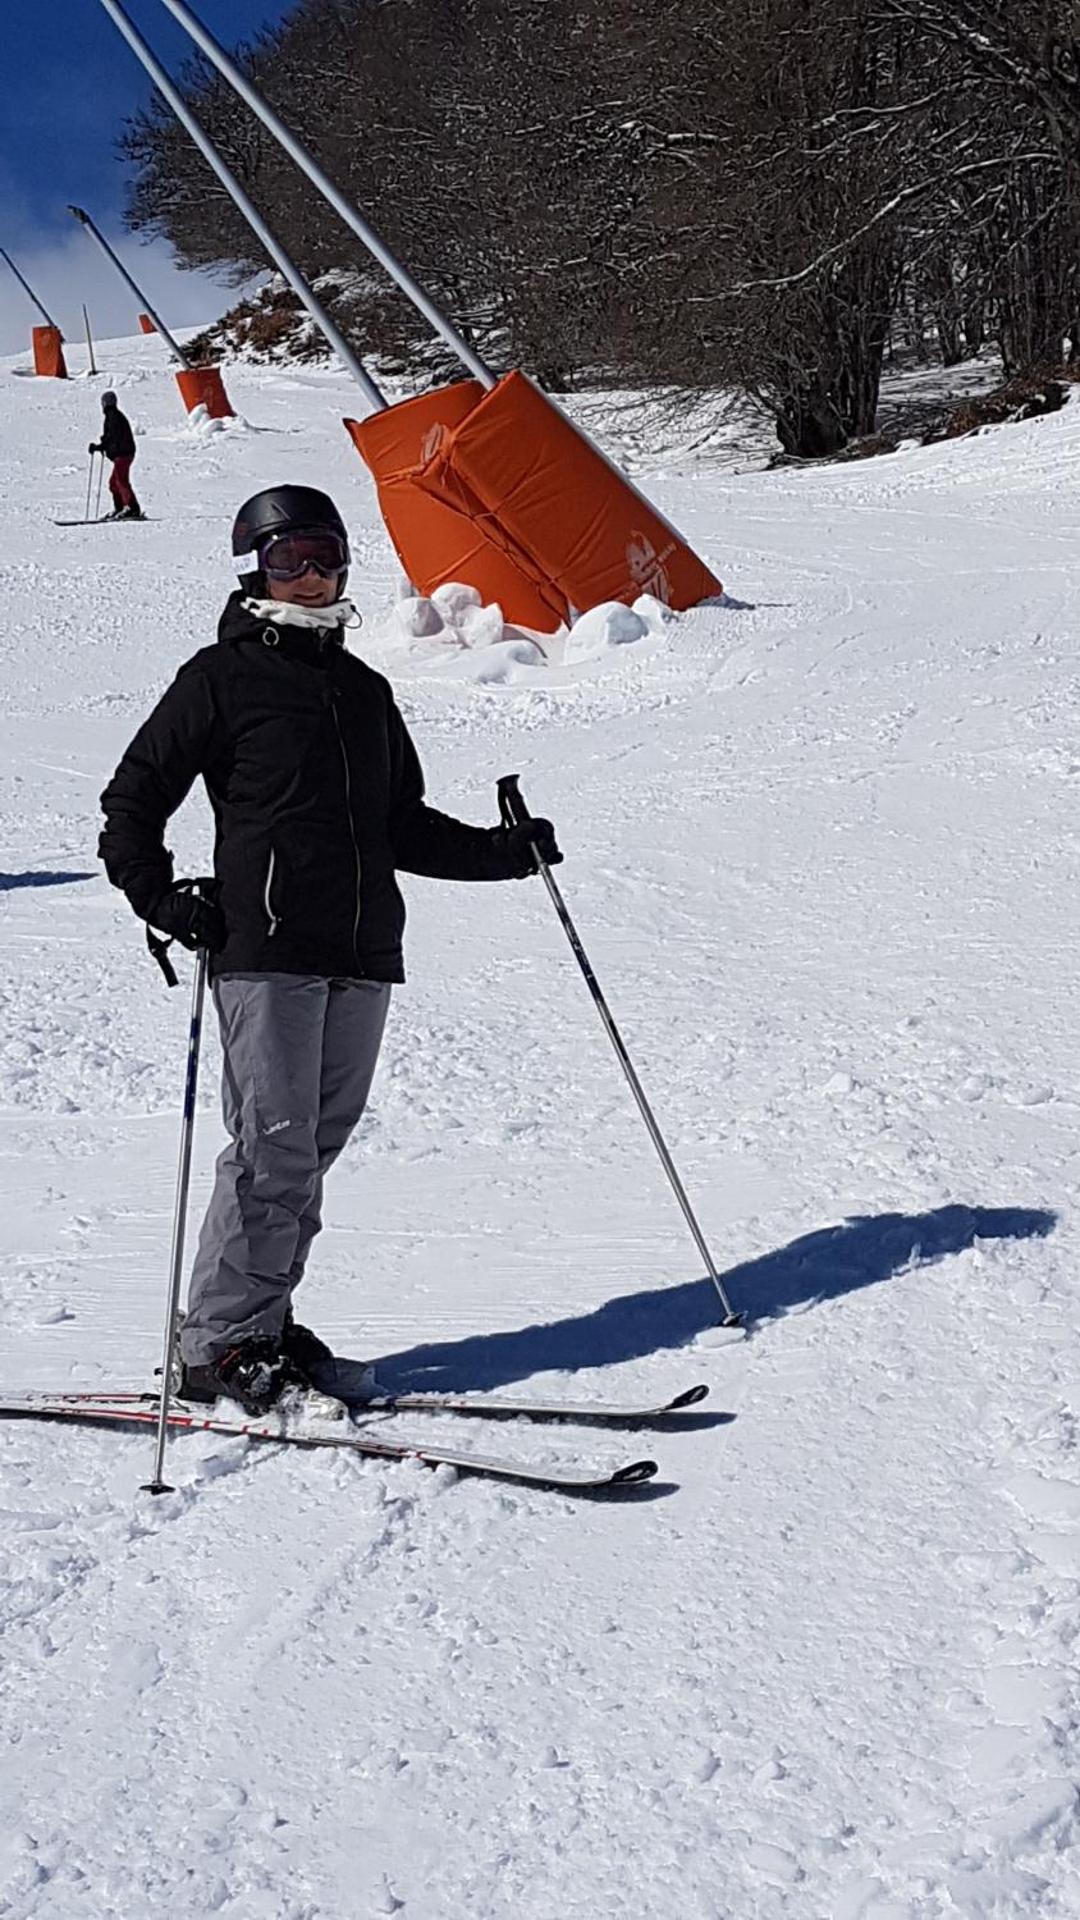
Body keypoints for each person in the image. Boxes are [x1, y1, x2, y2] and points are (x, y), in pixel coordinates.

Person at [99, 485, 561, 1414]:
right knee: (271, 1152)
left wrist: (502, 856)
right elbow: (131, 804)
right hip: (265, 948)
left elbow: (404, 827)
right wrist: (164, 896)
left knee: (311, 1151)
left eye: (325, 556)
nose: (311, 576)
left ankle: (260, 1323)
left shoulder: (363, 691)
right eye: (288, 559)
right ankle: (217, 1345)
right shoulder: (219, 678)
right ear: (253, 569)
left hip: (361, 952)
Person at [89, 391, 143, 521]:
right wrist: (102, 445)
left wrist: (100, 446)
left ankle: (132, 508)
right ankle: (120, 507)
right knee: (114, 483)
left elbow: (113, 436)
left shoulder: (113, 416)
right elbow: (111, 437)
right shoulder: (112, 416)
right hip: (122, 454)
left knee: (121, 480)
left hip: (124, 454)